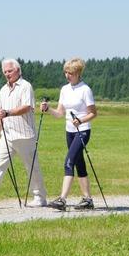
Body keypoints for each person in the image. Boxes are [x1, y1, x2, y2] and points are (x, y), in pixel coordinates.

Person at [0, 59, 47, 209]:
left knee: (31, 167)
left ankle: (39, 197)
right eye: (5, 71)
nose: (7, 74)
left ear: (18, 71)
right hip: (7, 135)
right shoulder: (3, 90)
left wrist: (9, 113)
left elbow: (27, 107)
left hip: (25, 135)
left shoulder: (26, 86)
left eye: (9, 71)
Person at [40, 57, 97, 211]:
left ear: (78, 73)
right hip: (69, 131)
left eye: (70, 73)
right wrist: (48, 109)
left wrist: (81, 119)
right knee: (79, 164)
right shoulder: (64, 89)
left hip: (83, 131)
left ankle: (62, 199)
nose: (67, 75)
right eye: (65, 72)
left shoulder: (85, 90)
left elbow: (93, 113)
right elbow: (59, 113)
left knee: (69, 162)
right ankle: (88, 200)